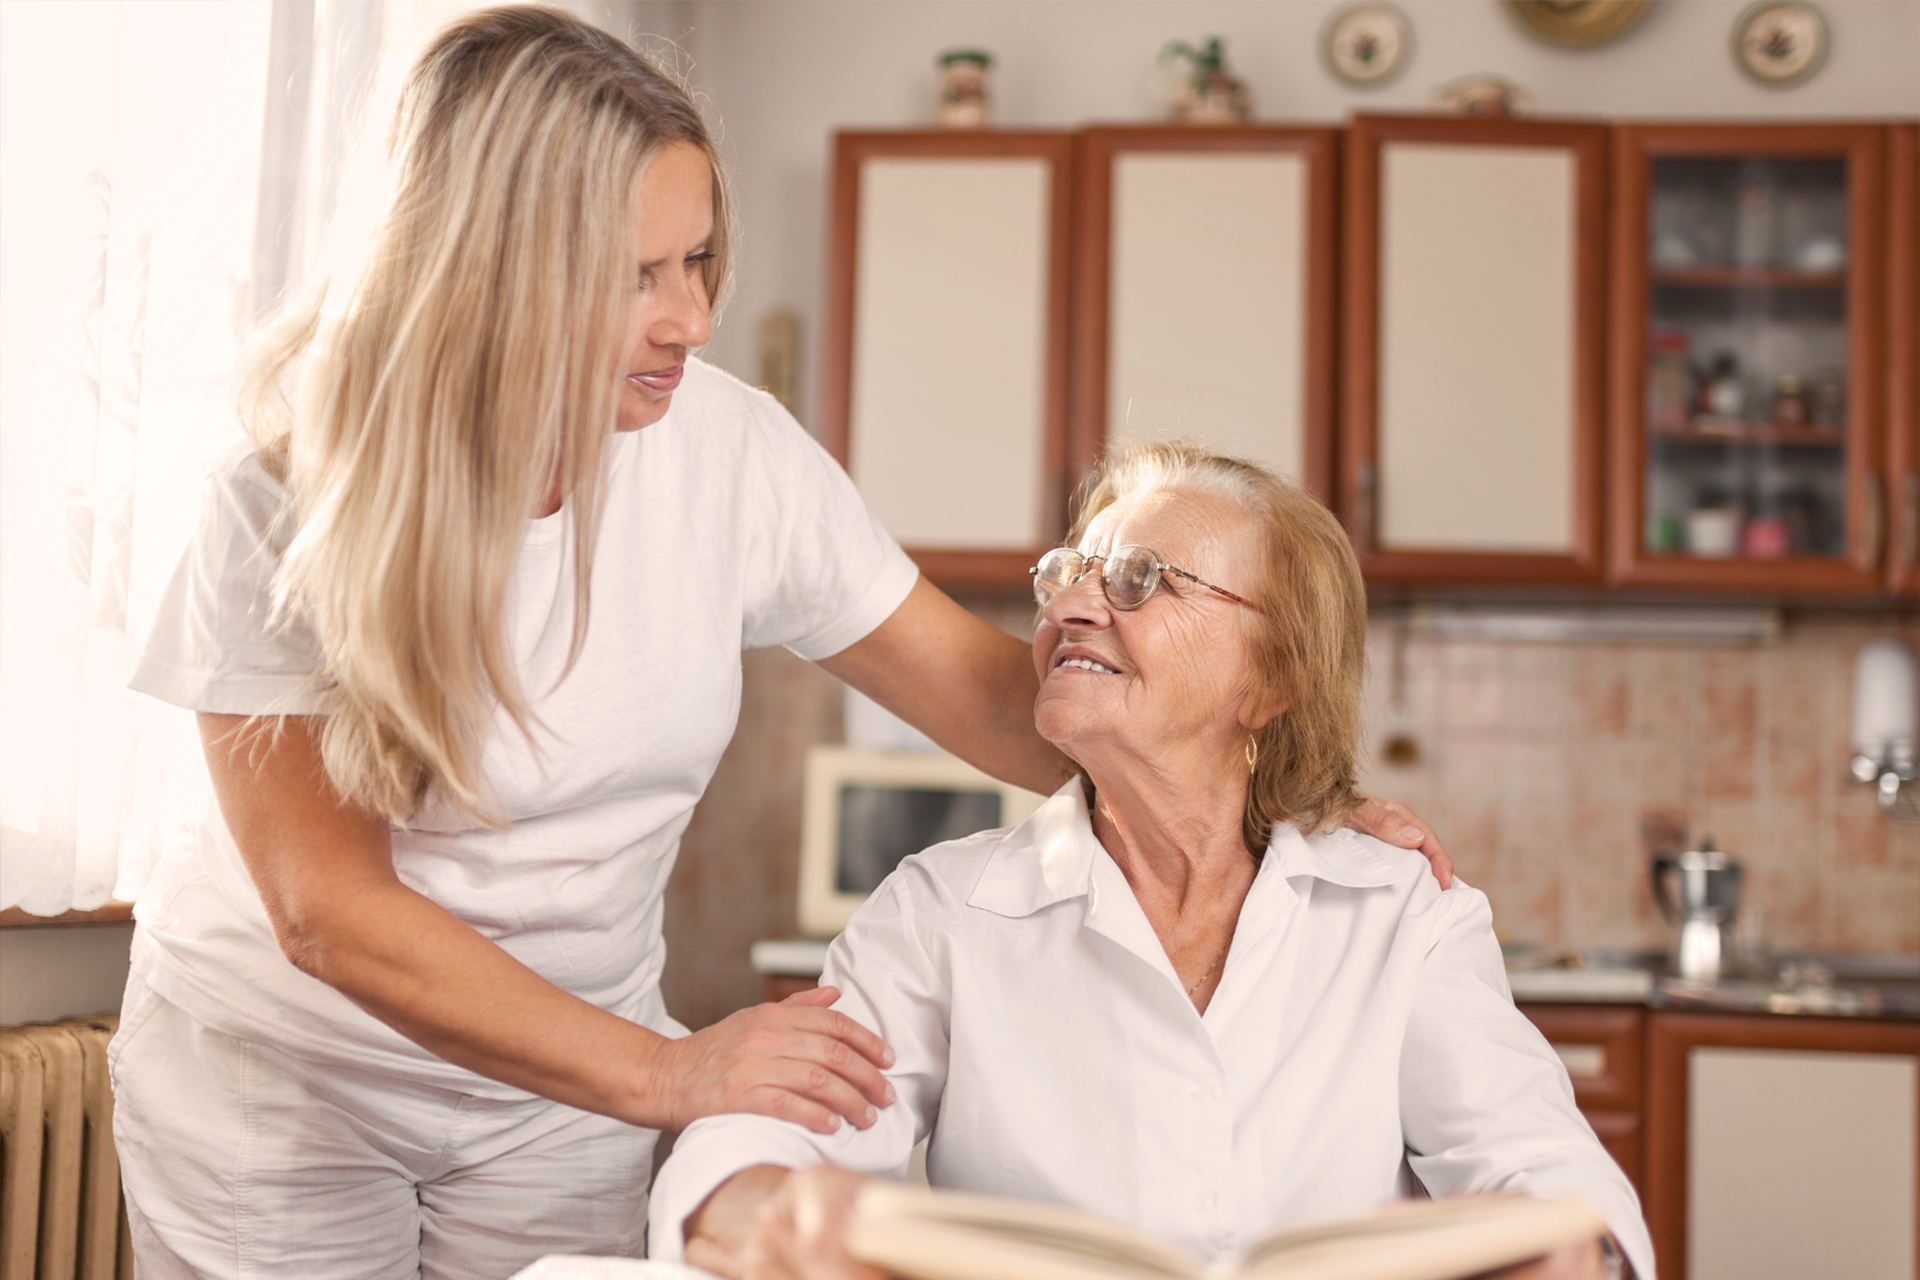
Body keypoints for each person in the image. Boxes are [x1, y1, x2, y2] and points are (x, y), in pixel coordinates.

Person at [109, 9, 1454, 1278]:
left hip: (561, 1097)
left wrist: (1281, 809)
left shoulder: (729, 454)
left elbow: (993, 696)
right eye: (634, 277)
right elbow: (328, 912)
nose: (691, 320)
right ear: (489, 271)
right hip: (293, 1086)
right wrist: (666, 1071)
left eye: (697, 261)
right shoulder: (285, 498)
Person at [654, 443, 1654, 1280]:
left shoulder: (1404, 913)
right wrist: (758, 1207)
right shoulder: (939, 910)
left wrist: (1569, 1249)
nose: (1074, 605)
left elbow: (1548, 1171)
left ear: (1270, 681)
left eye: (1140, 578)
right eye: (1067, 574)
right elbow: (767, 1138)